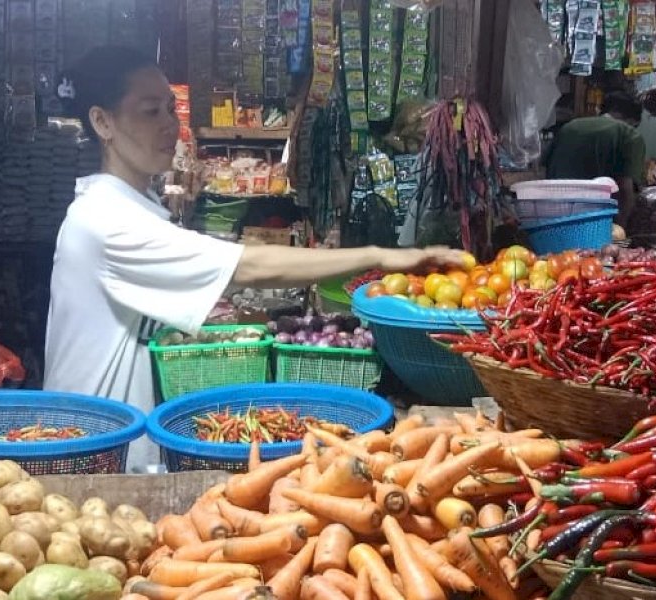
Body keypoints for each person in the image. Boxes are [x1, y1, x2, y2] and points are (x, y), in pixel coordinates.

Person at [43, 46, 464, 471]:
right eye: (151, 112)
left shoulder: (131, 207)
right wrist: (381, 256)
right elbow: (248, 266)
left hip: (108, 439)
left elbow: (240, 264)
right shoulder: (108, 220)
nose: (169, 124)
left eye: (171, 109)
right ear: (102, 122)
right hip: (90, 450)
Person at [544, 91, 646, 229]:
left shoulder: (569, 127)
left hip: (555, 219)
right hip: (597, 224)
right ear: (631, 120)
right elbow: (624, 189)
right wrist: (621, 230)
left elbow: (546, 169)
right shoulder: (628, 134)